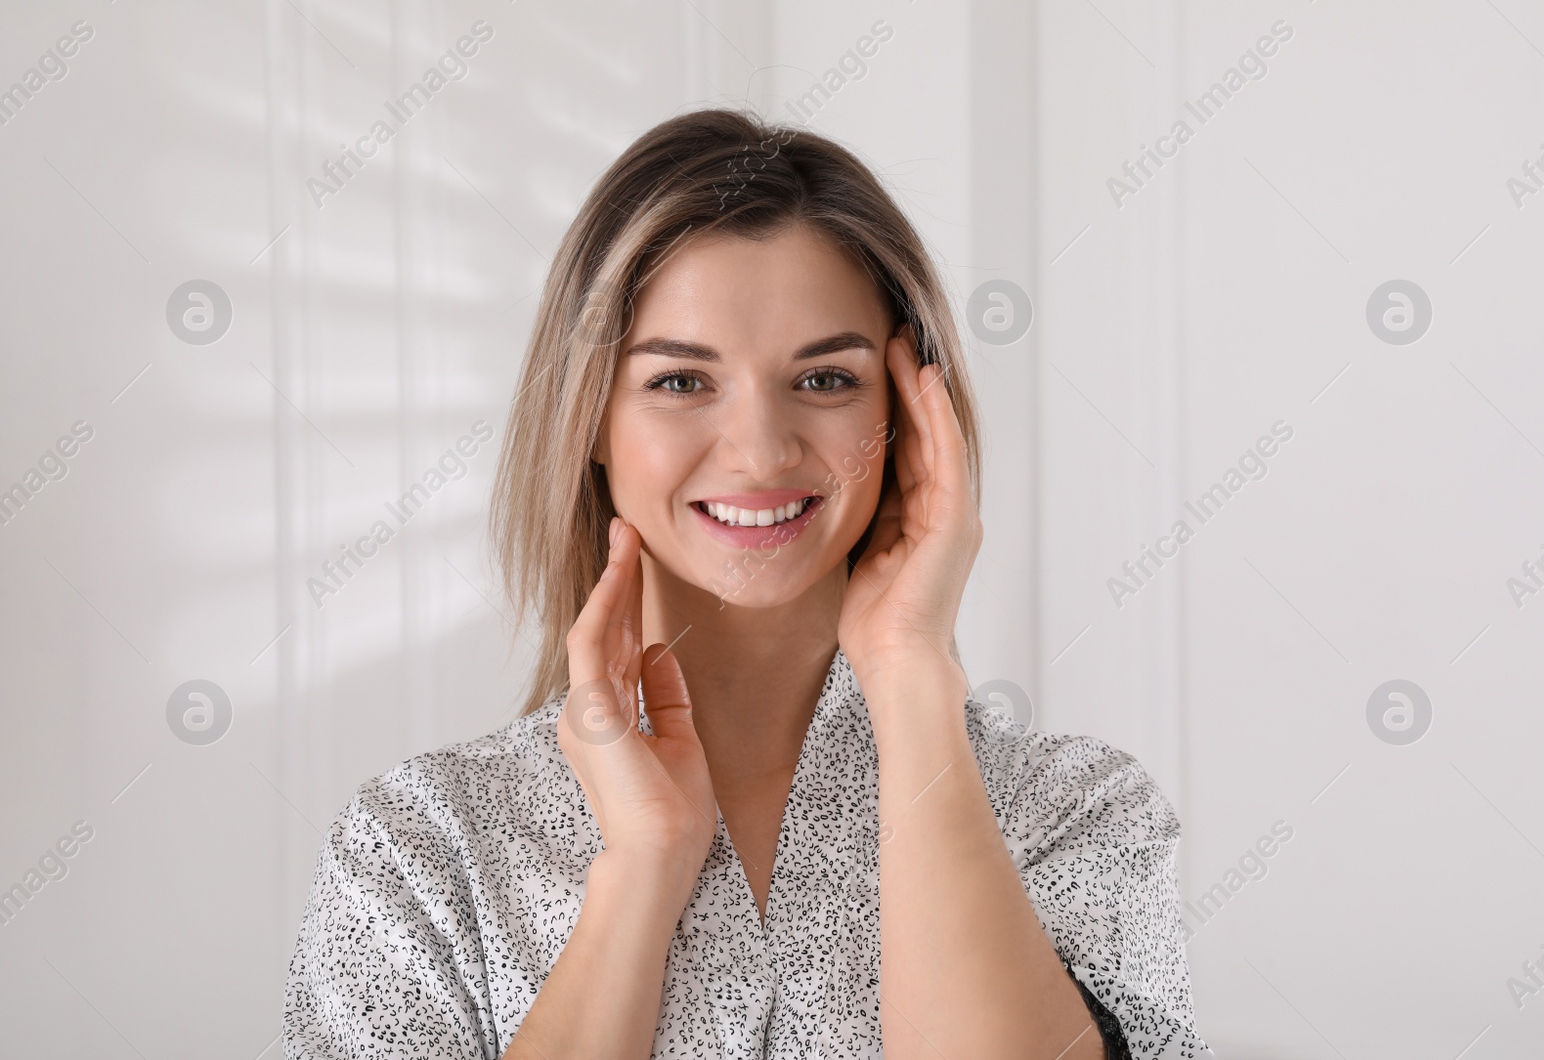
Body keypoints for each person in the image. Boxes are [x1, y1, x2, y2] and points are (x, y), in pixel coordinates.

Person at [282, 108, 1211, 1059]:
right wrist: (640, 873)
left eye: (825, 381)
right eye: (681, 382)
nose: (762, 449)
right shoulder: (419, 852)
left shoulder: (1076, 816)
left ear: (910, 417)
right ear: (589, 420)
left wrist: (909, 670)